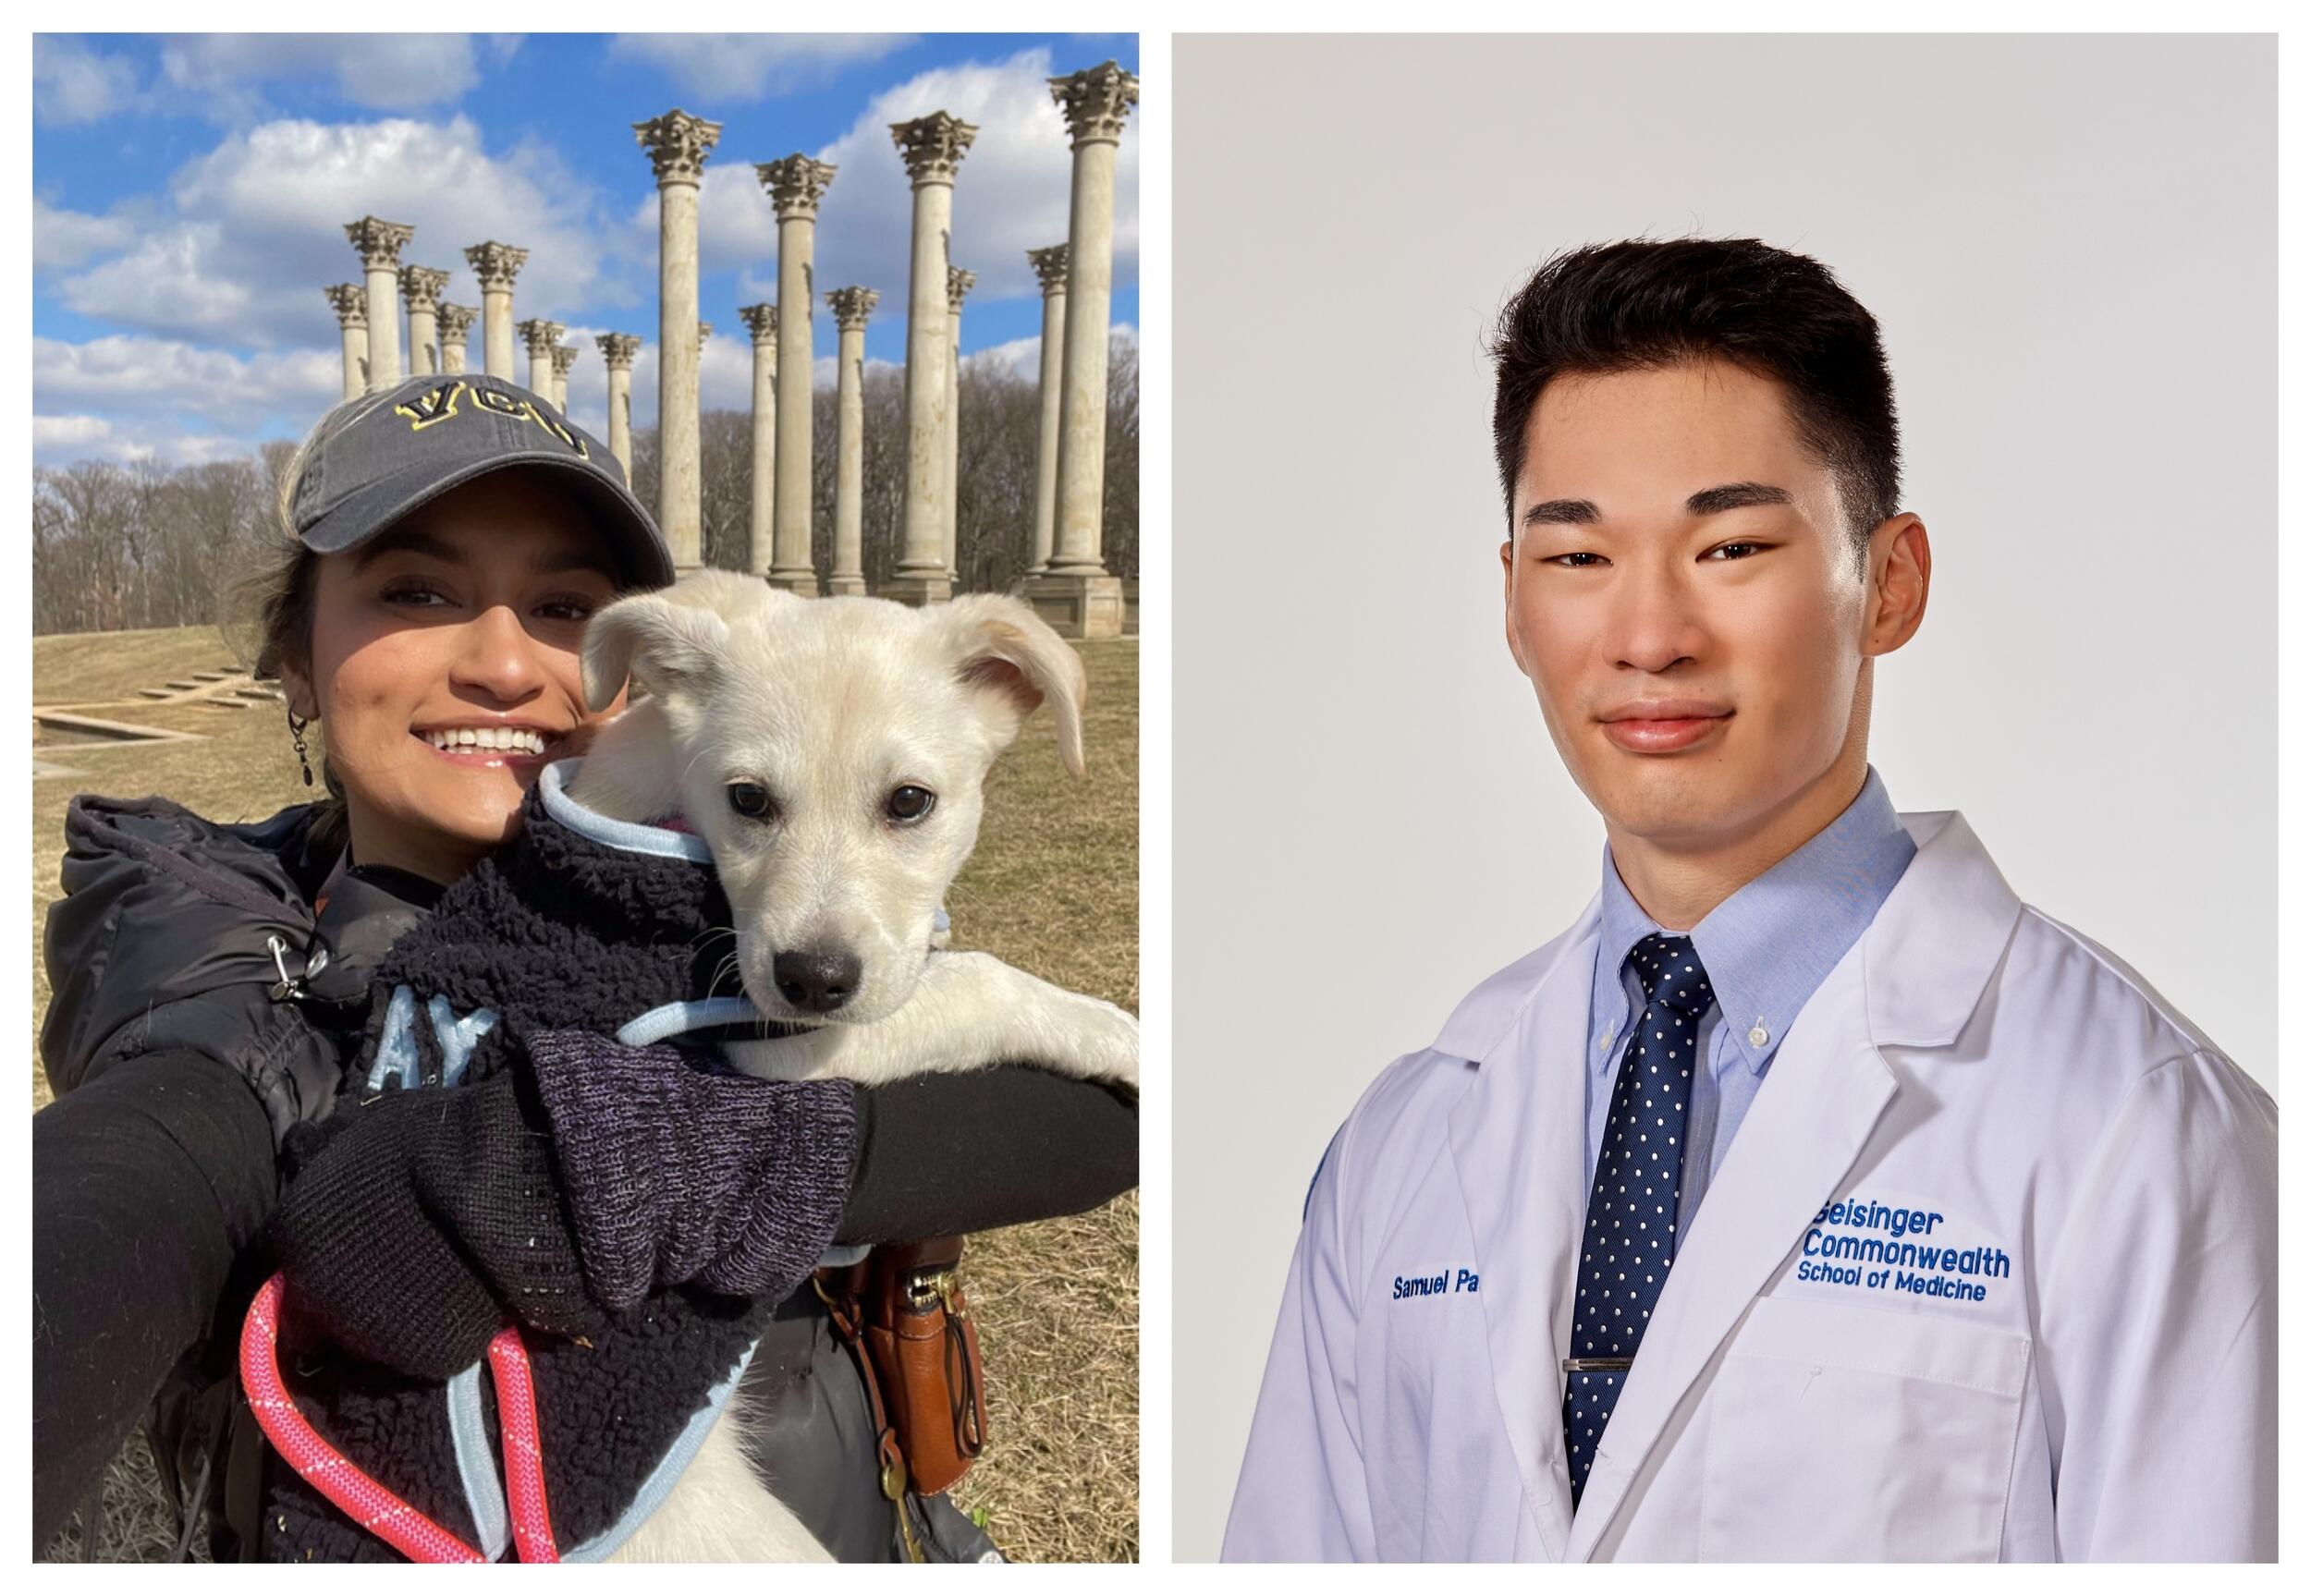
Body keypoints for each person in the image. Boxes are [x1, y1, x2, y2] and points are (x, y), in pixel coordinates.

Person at [1220, 238, 2275, 1562]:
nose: (1649, 634)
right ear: (1510, 599)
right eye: (1578, 556)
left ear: (1889, 582)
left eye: (1729, 544)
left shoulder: (2136, 1128)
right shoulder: (1408, 1135)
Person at [32, 372, 1139, 1561]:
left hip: (855, 1500)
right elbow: (130, 1180)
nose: (506, 666)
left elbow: (1101, 1123)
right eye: (416, 589)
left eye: (564, 604)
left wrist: (646, 1154)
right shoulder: (203, 943)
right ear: (291, 658)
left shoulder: (679, 870)